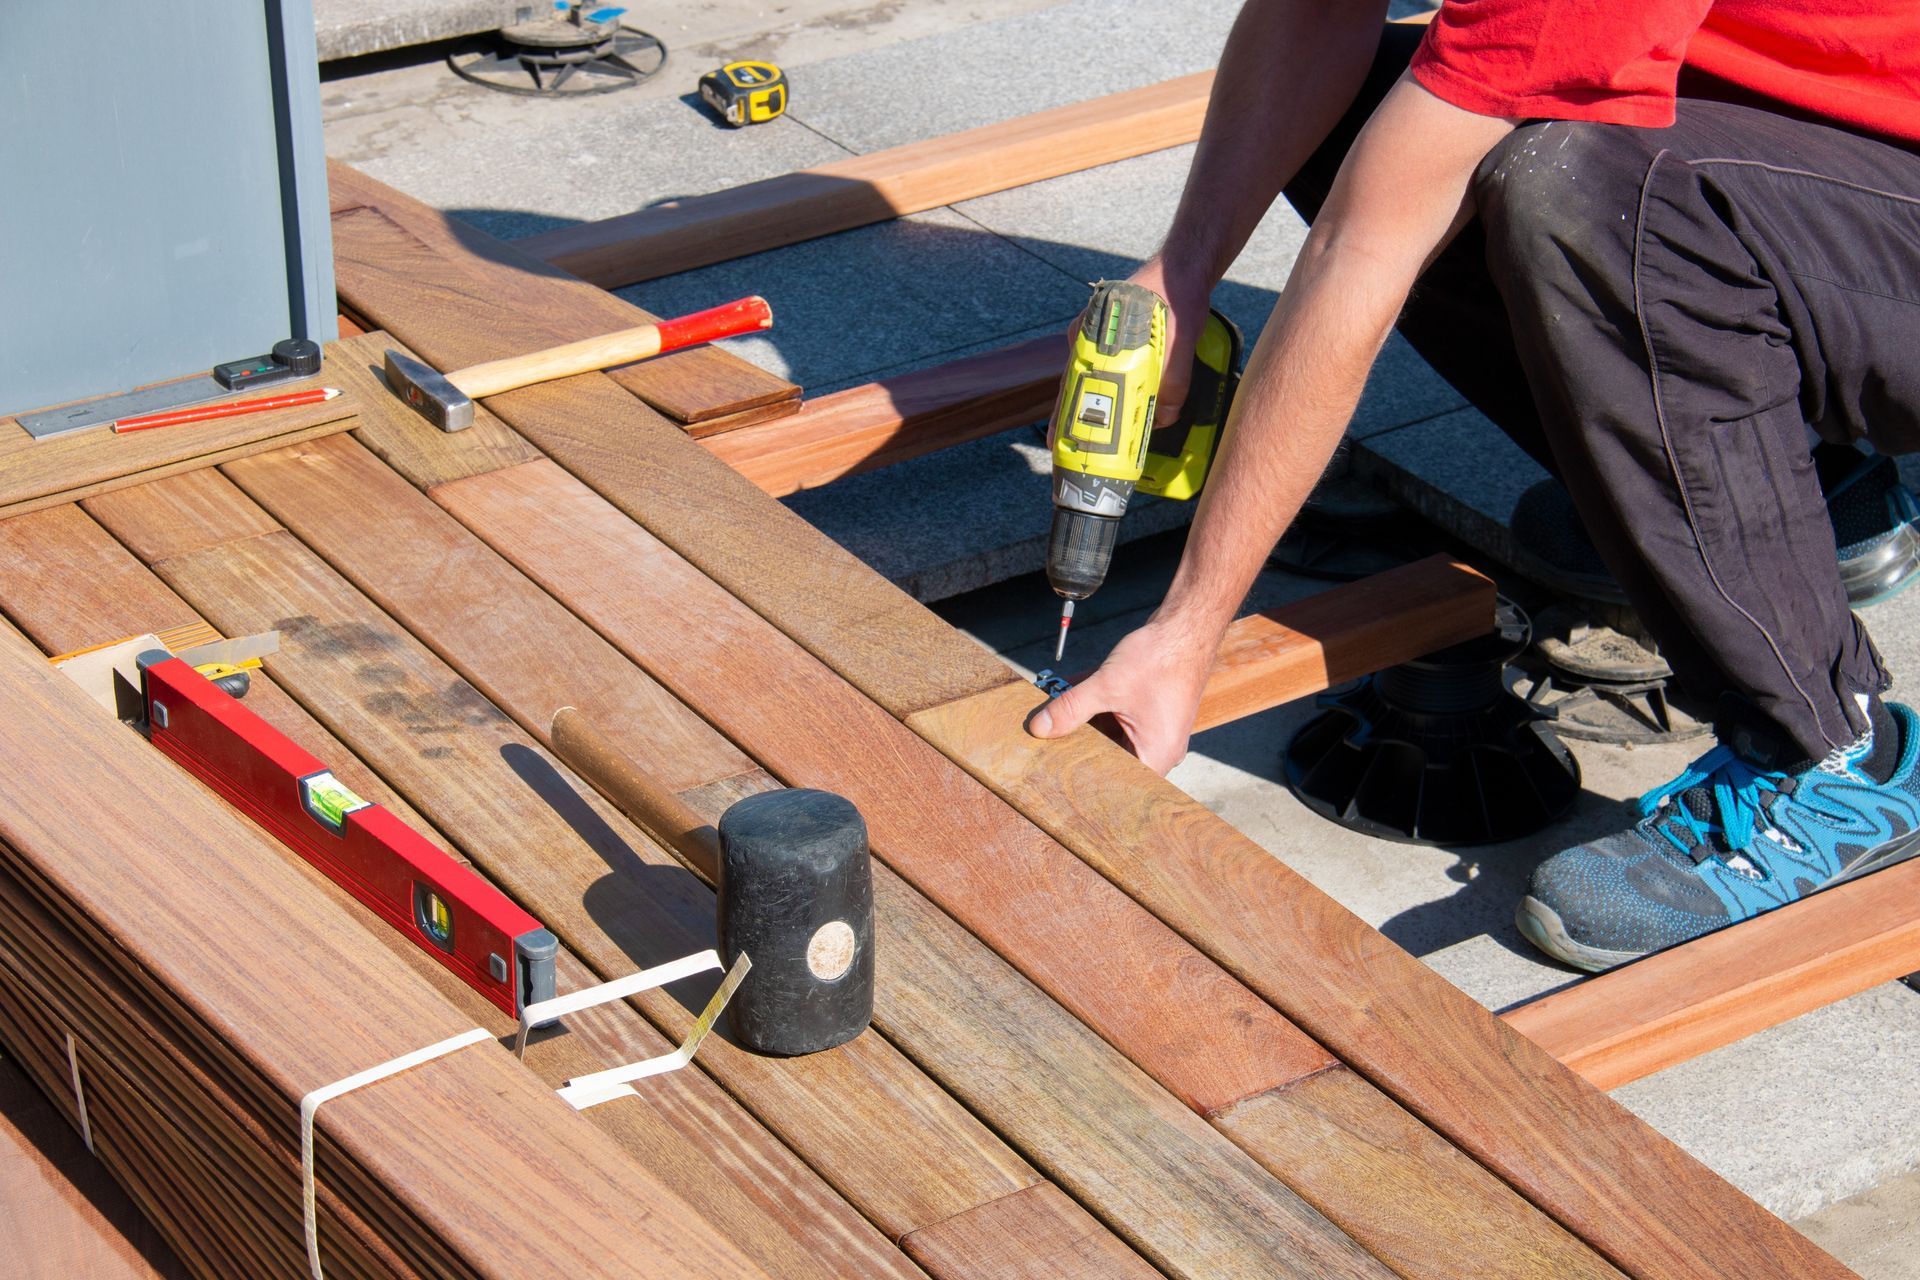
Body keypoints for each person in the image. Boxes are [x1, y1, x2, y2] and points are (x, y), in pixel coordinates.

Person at [1026, 0, 1920, 971]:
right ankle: (1781, 489)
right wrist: (1179, 275)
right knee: (1381, 109)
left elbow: (1358, 248)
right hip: (1806, 149)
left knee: (1586, 187)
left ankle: (1829, 751)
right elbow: (1309, 21)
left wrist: (1187, 631)